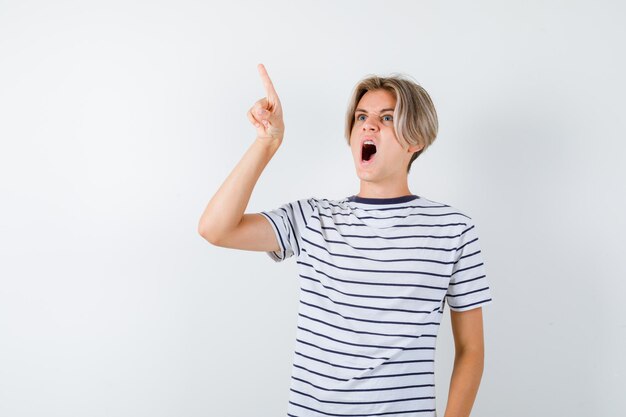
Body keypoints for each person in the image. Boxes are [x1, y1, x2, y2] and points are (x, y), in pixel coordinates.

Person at [198, 63, 493, 417]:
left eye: (386, 118)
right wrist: (267, 142)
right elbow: (215, 229)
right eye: (360, 117)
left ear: (416, 139)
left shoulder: (452, 229)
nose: (368, 124)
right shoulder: (312, 218)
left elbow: (471, 348)